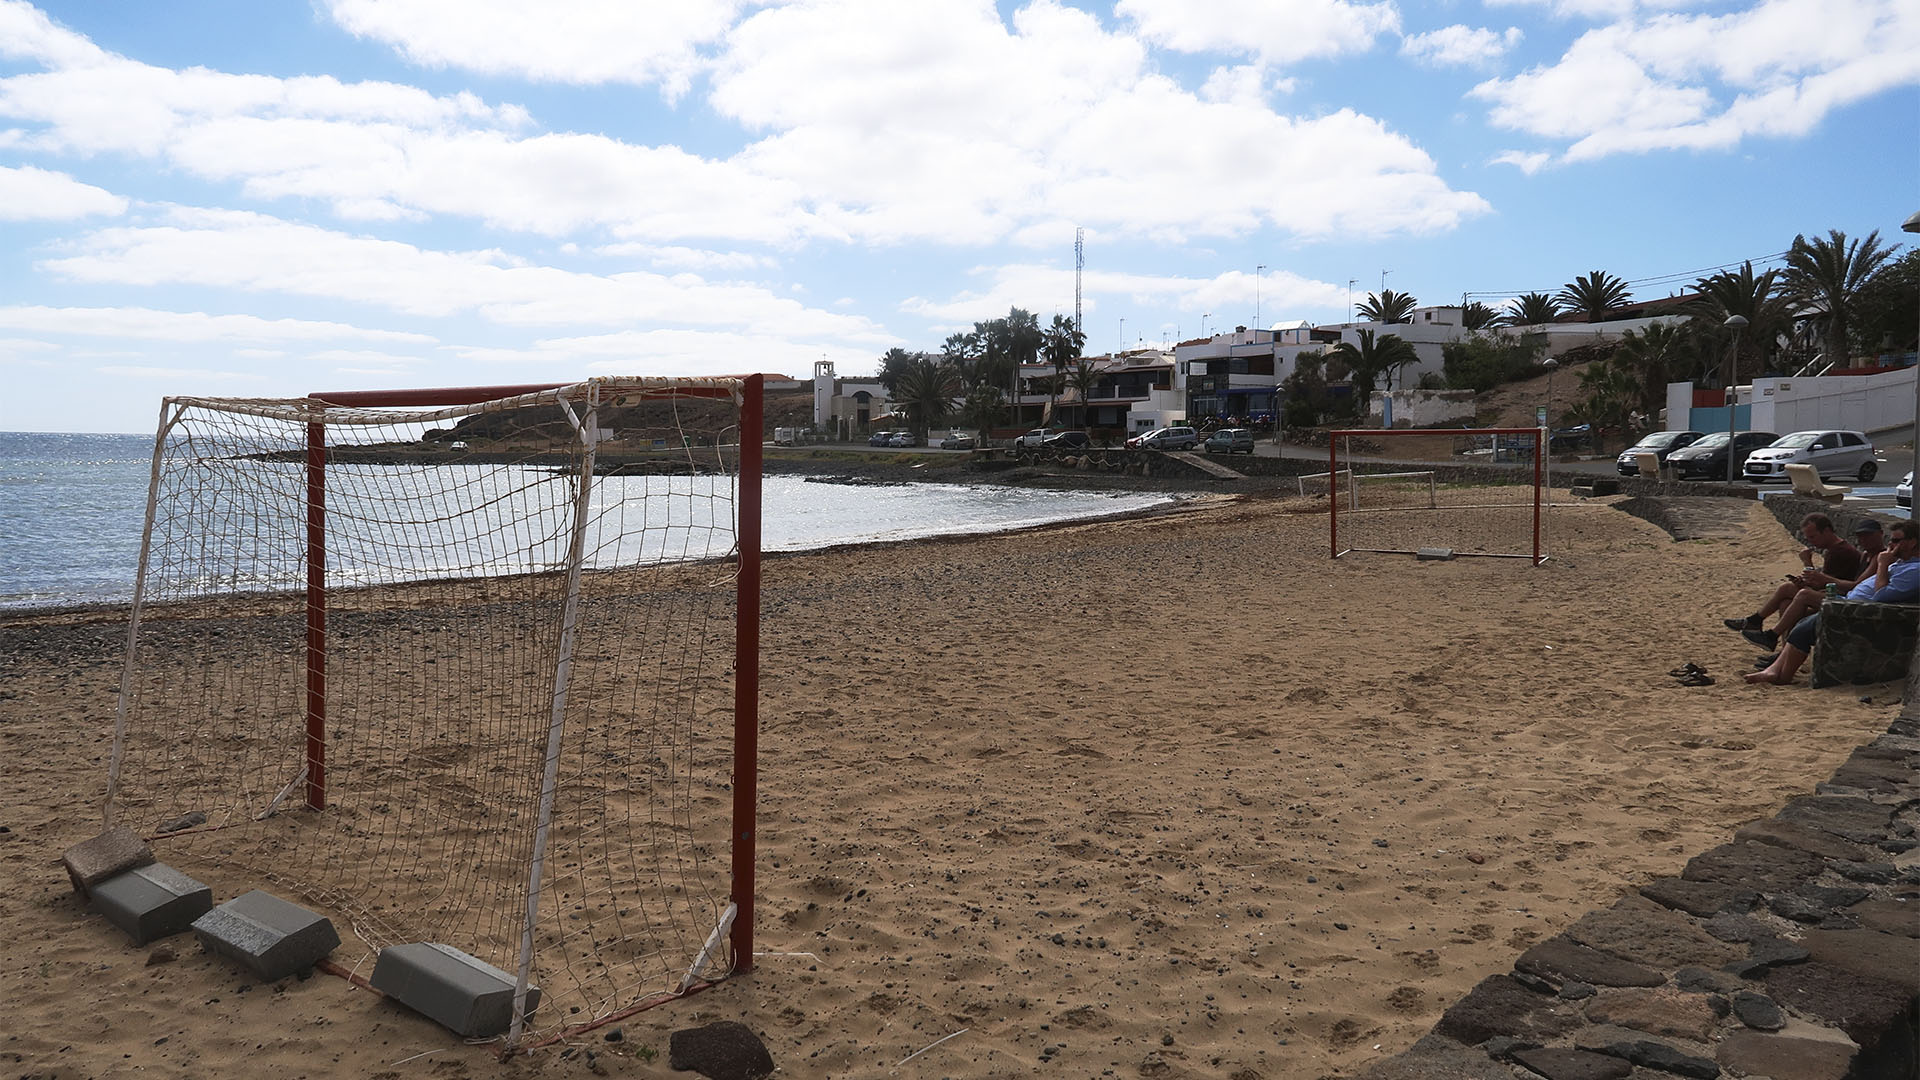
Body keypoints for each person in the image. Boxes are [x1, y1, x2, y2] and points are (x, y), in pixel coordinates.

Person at [1746, 518, 1920, 685]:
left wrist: (1882, 564)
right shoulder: (1897, 562)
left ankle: (1779, 668)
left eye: (1897, 541)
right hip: (1848, 601)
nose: (1891, 545)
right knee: (1798, 612)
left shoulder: (1913, 569)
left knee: (1805, 621)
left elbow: (1881, 594)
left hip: (1857, 610)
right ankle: (1776, 666)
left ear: (1912, 542)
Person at [1737, 518, 1887, 650]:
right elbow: (1824, 583)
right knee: (1786, 602)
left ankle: (1768, 633)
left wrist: (1811, 569)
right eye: (1860, 537)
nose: (1863, 540)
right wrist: (1813, 579)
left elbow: (1853, 585)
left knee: (1797, 593)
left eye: (1868, 536)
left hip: (1850, 601)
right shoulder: (1866, 555)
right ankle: (1780, 651)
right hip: (1843, 595)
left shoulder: (1866, 555)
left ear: (1880, 534)